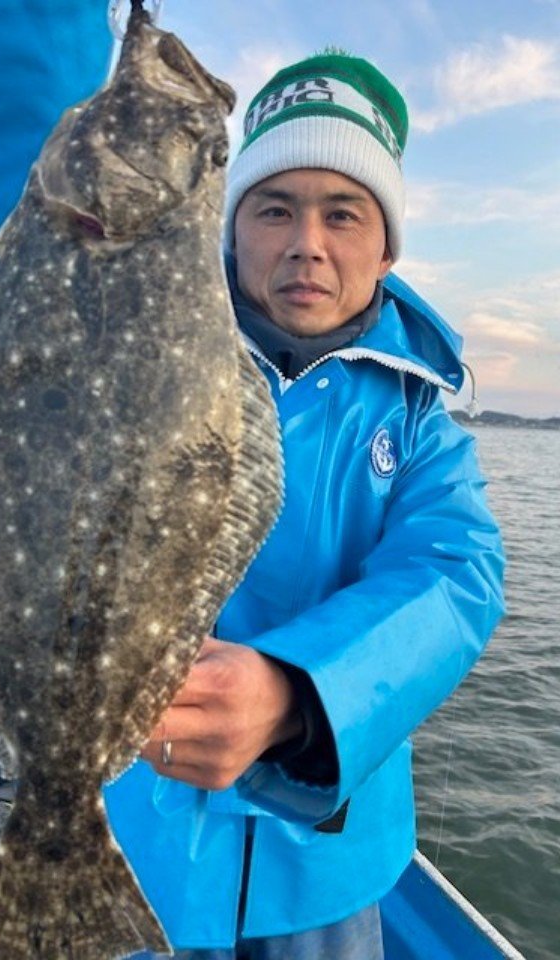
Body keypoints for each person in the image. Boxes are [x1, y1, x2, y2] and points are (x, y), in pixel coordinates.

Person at [102, 52, 506, 959]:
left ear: (386, 246)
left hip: (328, 864)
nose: (306, 243)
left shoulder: (420, 418)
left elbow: (459, 570)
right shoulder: (134, 357)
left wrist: (298, 695)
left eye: (343, 213)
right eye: (275, 207)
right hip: (142, 840)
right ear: (231, 226)